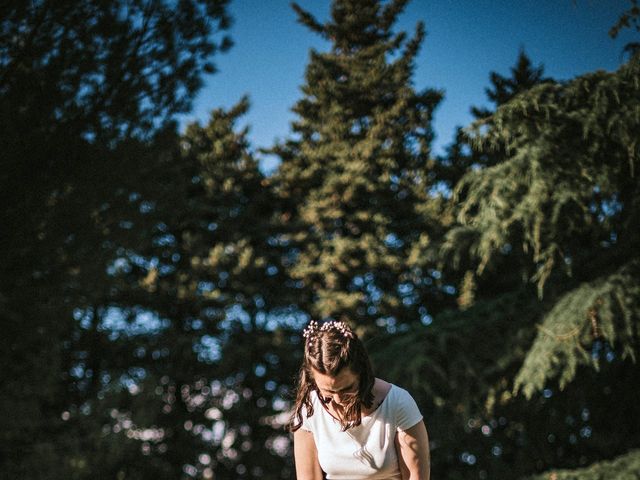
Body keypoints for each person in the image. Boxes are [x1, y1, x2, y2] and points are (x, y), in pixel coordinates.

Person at [290, 319, 430, 479]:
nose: (338, 399)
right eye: (328, 392)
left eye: (347, 389)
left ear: (361, 372)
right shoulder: (309, 409)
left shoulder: (398, 403)